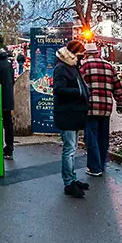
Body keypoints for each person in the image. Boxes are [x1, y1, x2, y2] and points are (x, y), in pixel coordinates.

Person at [52, 39, 91, 199]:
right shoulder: (62, 68)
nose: (83, 58)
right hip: (67, 114)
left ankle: (73, 179)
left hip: (73, 113)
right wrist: (78, 92)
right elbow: (58, 89)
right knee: (69, 150)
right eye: (81, 54)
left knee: (72, 148)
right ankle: (68, 183)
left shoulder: (71, 66)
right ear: (74, 54)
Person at [79, 45, 122, 177]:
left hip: (90, 107)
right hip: (106, 107)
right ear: (97, 53)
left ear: (86, 54)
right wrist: (121, 102)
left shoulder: (83, 66)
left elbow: (80, 86)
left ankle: (94, 167)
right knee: (103, 137)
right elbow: (117, 86)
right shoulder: (109, 66)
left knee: (91, 138)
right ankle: (102, 162)